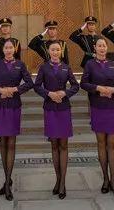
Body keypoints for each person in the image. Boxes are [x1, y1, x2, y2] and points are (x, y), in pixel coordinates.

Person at [0, 39, 34, 201]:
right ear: (3, 50)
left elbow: (29, 83)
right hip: (0, 106)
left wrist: (15, 89)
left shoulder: (20, 64)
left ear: (15, 49)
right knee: (3, 143)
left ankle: (7, 183)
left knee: (11, 143)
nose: (9, 50)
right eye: (6, 47)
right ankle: (7, 179)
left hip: (14, 106)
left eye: (11, 47)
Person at [80, 37, 114, 197]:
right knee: (101, 143)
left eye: (104, 45)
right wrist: (98, 88)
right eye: (99, 45)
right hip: (97, 107)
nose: (101, 48)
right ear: (95, 48)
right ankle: (105, 179)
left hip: (111, 107)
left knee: (112, 144)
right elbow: (83, 83)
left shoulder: (113, 64)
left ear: (107, 48)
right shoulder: (90, 64)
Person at [33, 40, 79, 199]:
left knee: (63, 145)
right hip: (50, 109)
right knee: (54, 145)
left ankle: (63, 183)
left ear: (61, 51)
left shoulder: (66, 67)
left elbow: (75, 86)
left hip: (64, 108)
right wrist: (49, 94)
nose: (55, 52)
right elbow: (37, 86)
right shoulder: (43, 67)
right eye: (52, 49)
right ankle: (57, 179)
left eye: (57, 49)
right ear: (48, 51)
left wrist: (65, 93)